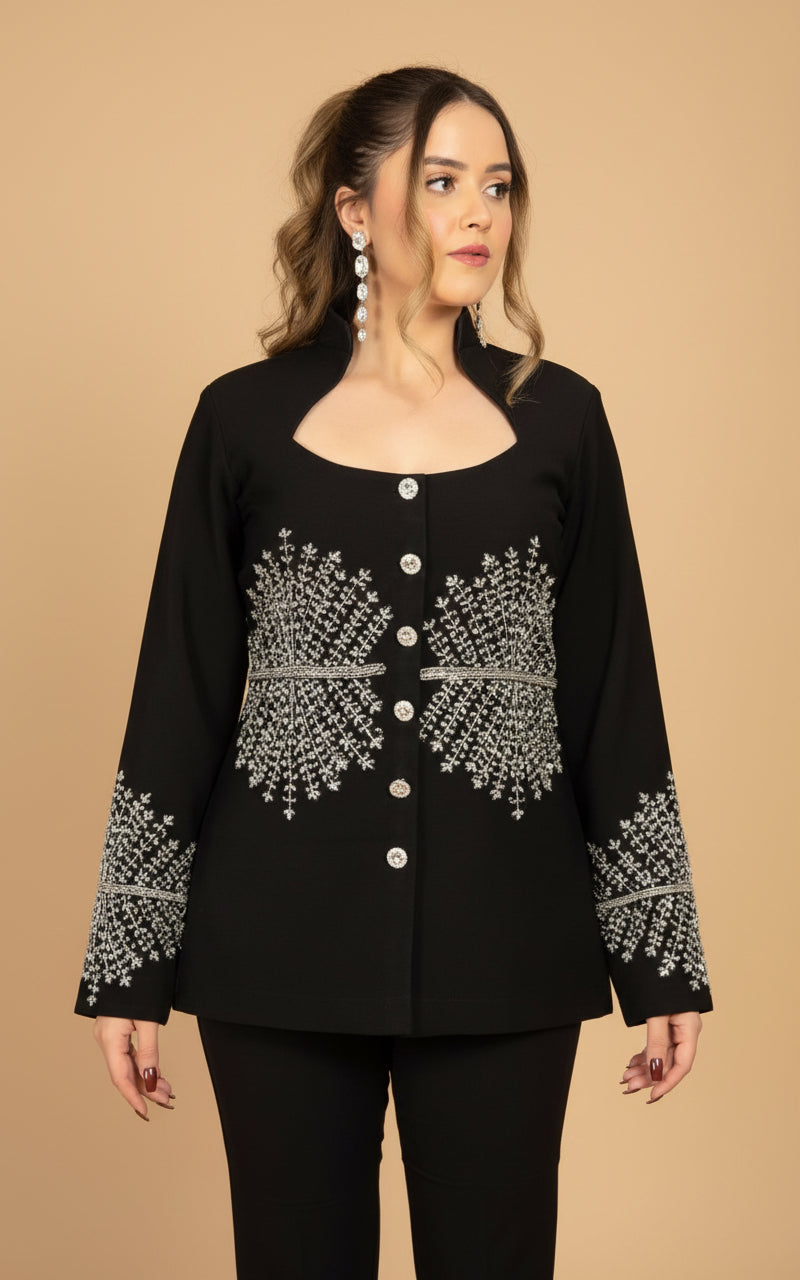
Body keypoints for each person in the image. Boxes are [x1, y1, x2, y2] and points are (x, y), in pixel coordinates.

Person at [74, 65, 714, 1280]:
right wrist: (127, 966)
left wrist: (659, 953)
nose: (478, 213)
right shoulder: (243, 420)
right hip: (272, 954)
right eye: (440, 181)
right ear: (353, 209)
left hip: (509, 952)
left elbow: (609, 695)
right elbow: (180, 693)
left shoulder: (561, 420)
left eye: (498, 185)